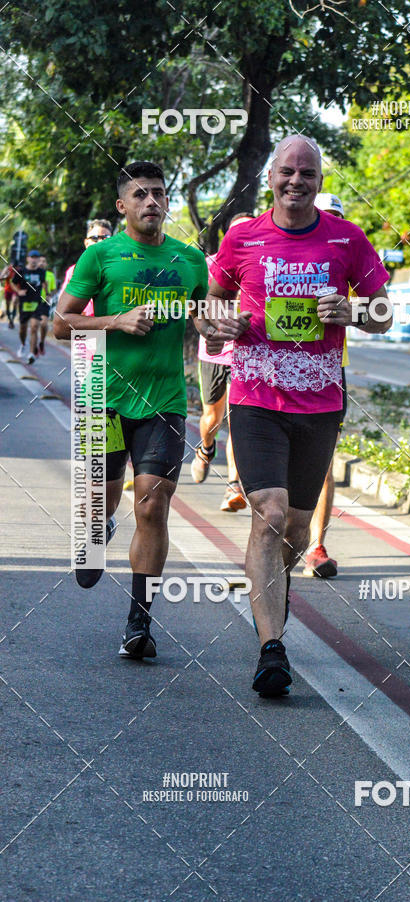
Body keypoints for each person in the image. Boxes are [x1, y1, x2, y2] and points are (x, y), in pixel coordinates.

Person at [204, 135, 391, 696]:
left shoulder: (346, 238)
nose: (296, 181)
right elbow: (209, 303)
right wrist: (217, 324)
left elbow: (384, 313)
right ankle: (271, 648)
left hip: (320, 403)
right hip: (256, 398)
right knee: (269, 511)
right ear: (271, 179)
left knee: (298, 527)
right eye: (287, 171)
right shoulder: (242, 237)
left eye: (307, 173)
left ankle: (269, 601)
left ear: (319, 181)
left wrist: (353, 310)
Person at [54, 161, 208, 659]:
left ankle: (139, 623)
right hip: (105, 400)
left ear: (168, 202)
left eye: (158, 194)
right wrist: (117, 321)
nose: (150, 202)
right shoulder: (101, 256)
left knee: (152, 504)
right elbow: (61, 324)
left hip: (164, 402)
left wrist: (216, 326)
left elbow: (207, 316)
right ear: (122, 206)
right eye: (139, 195)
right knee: (101, 500)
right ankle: (96, 527)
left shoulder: (190, 260)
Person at [191, 213, 254, 513]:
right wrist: (207, 330)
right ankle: (206, 448)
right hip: (214, 351)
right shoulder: (209, 265)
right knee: (212, 420)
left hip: (246, 353)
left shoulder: (261, 263)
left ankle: (233, 485)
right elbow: (198, 306)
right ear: (227, 237)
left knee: (236, 419)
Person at [303, 193, 349, 578]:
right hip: (272, 377)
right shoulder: (282, 248)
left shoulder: (348, 249)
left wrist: (358, 311)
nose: (330, 224)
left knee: (323, 466)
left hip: (330, 374)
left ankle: (316, 546)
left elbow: (379, 309)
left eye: (337, 217)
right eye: (325, 216)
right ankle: (283, 536)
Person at [60, 219, 113, 317]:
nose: (100, 241)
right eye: (95, 238)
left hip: (114, 327)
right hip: (86, 328)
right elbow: (63, 307)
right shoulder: (73, 270)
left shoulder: (120, 268)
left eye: (106, 237)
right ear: (86, 243)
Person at [11, 250, 47, 364]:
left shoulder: (42, 272)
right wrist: (18, 291)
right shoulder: (21, 271)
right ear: (28, 259)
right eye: (32, 257)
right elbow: (12, 282)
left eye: (36, 257)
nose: (34, 259)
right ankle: (23, 344)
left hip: (37, 304)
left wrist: (48, 294)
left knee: (35, 326)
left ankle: (31, 354)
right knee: (22, 329)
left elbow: (43, 284)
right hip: (24, 304)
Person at [37, 255, 56, 354]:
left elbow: (53, 289)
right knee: (34, 324)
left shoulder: (50, 275)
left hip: (44, 302)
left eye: (43, 261)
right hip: (33, 302)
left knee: (44, 324)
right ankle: (33, 345)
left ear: (46, 264)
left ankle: (42, 341)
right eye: (39, 261)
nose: (41, 263)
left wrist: (49, 295)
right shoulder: (32, 273)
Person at [1, 263, 18, 328]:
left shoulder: (19, 270)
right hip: (8, 290)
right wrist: (6, 275)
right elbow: (1, 278)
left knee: (14, 302)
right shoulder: (7, 269)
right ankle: (9, 319)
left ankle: (12, 320)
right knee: (8, 305)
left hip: (16, 290)